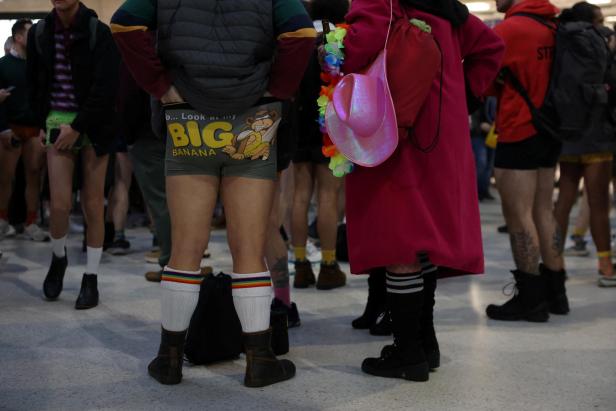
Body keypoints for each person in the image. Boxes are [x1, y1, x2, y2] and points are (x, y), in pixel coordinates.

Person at [112, 0, 315, 387]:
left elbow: (124, 24)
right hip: (254, 117)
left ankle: (169, 358)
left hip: (186, 115)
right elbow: (301, 32)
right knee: (249, 249)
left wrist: (160, 87)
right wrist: (278, 90)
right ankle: (259, 360)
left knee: (186, 248)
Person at [338, 0, 503, 381]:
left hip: (397, 131)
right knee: (422, 239)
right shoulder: (447, 9)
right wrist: (465, 98)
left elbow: (358, 48)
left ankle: (408, 352)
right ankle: (425, 344)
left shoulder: (383, 1)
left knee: (399, 240)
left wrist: (327, 51)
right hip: (443, 136)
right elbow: (491, 48)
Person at [28, 0, 119, 309]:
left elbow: (106, 87)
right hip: (56, 120)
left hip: (93, 125)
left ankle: (91, 278)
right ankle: (58, 258)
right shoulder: (40, 32)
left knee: (94, 205)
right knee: (60, 205)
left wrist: (79, 126)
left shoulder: (98, 31)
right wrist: (40, 122)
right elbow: (36, 83)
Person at [487, 0, 570, 322]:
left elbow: (484, 80)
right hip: (550, 129)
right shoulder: (553, 25)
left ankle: (531, 298)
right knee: (543, 210)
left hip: (519, 127)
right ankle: (556, 291)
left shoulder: (509, 30)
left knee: (518, 214)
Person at [290, 0, 348, 291]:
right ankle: (328, 265)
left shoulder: (297, 35)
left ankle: (300, 265)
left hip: (298, 124)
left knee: (299, 195)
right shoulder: (341, 38)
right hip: (330, 126)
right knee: (328, 197)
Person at [0, 19, 49, 242]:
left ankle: (31, 222)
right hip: (10, 127)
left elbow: (44, 99)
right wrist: (2, 129)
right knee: (5, 177)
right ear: (19, 38)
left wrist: (43, 127)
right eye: (30, 33)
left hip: (34, 128)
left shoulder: (39, 66)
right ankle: (2, 221)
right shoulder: (3, 65)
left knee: (34, 175)